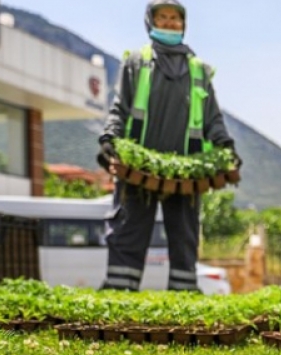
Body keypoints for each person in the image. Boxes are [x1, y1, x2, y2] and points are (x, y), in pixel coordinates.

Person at [96, 0, 238, 292]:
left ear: (184, 25)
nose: (170, 23)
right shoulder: (136, 62)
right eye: (163, 17)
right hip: (137, 165)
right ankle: (120, 293)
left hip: (187, 169)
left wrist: (226, 146)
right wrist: (109, 138)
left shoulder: (198, 70)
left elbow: (212, 117)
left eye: (176, 18)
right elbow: (121, 107)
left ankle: (184, 293)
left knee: (185, 234)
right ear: (151, 22)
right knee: (127, 229)